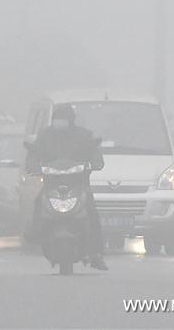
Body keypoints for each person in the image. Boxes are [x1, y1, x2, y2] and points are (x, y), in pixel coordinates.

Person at [27, 104, 108, 270]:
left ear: (71, 121)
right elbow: (33, 154)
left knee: (91, 212)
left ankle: (96, 253)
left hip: (79, 184)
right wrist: (33, 166)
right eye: (57, 119)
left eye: (63, 120)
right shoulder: (44, 136)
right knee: (37, 202)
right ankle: (33, 233)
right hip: (51, 183)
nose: (60, 123)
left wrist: (94, 163)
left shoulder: (84, 136)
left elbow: (95, 155)